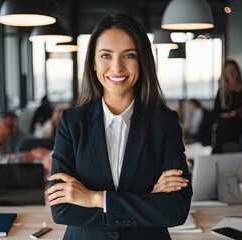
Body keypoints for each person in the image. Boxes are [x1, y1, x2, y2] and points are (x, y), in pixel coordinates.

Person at [46, 13, 192, 240]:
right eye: (106, 55)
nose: (117, 67)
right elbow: (62, 209)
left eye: (129, 55)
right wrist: (148, 201)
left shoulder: (164, 123)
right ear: (93, 63)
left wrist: (94, 199)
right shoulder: (72, 123)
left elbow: (175, 210)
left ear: (142, 62)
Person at [213, 59, 242, 153]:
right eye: (228, 71)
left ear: (237, 71)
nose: (231, 73)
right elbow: (216, 113)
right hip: (225, 132)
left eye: (233, 70)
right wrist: (230, 114)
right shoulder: (222, 92)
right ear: (225, 74)